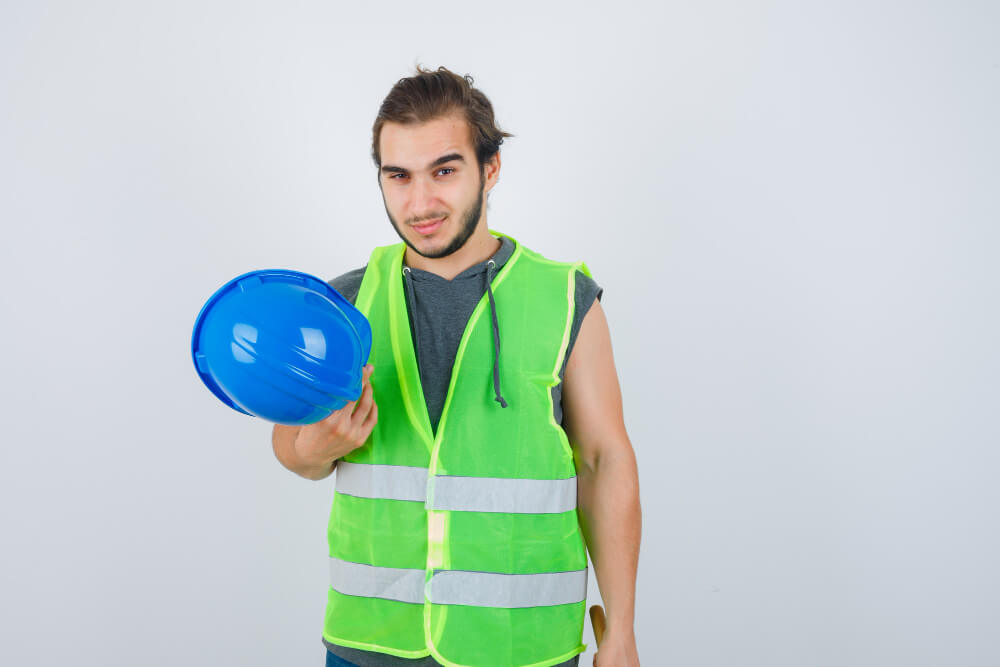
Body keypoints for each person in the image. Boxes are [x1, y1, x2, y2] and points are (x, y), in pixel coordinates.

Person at [272, 65, 641, 667]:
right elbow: (290, 447)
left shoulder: (567, 300)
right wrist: (316, 446)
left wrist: (620, 632)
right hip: (370, 644)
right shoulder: (342, 306)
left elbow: (604, 461)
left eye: (444, 170)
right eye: (399, 176)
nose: (420, 203)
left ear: (490, 168)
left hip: (523, 650)